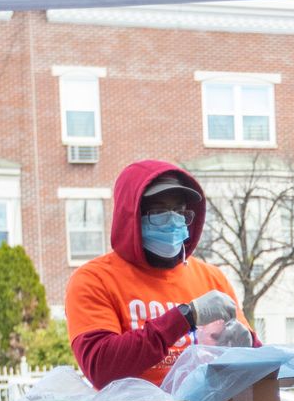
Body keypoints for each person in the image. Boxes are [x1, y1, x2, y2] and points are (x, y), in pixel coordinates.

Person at [66, 160, 254, 387]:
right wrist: (186, 317)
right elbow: (101, 366)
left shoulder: (211, 278)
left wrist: (247, 346)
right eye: (159, 211)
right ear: (132, 215)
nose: (173, 220)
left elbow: (254, 357)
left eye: (179, 210)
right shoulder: (94, 279)